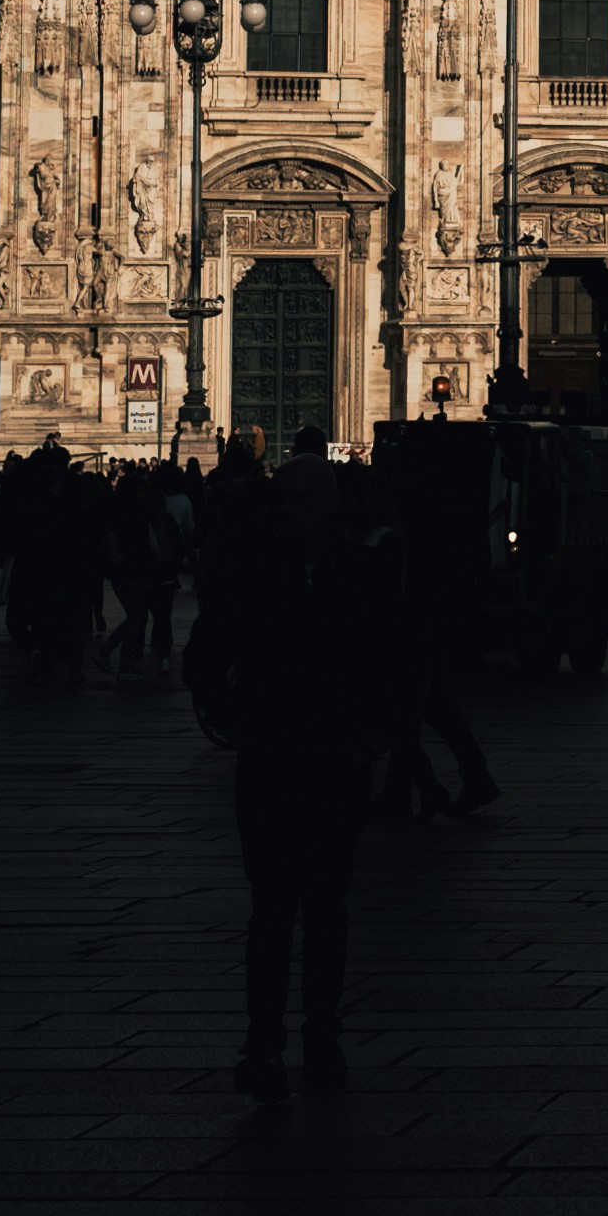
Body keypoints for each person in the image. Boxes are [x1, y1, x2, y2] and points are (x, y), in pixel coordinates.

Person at [187, 429, 385, 1100]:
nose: (290, 512)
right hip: (270, 760)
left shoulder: (363, 573)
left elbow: (398, 659)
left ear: (331, 505)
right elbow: (203, 656)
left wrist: (371, 734)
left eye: (303, 500)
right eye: (284, 500)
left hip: (335, 761)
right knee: (271, 908)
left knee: (327, 906)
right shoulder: (249, 573)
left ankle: (322, 1035)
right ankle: (263, 1041)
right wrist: (234, 720)